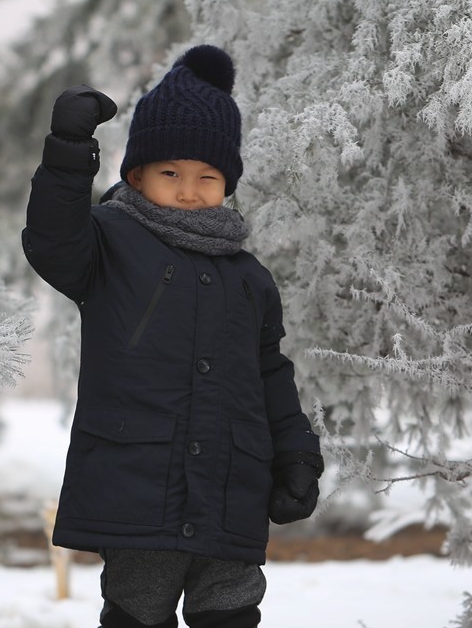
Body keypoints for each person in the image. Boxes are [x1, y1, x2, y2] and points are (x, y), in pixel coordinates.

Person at [23, 45, 323, 628]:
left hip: (231, 491)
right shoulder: (109, 243)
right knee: (138, 611)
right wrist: (67, 155)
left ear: (227, 182)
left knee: (234, 611)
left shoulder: (249, 277)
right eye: (171, 173)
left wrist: (295, 452)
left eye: (207, 176)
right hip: (140, 488)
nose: (189, 189)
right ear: (135, 174)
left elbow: (270, 374)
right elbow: (52, 242)